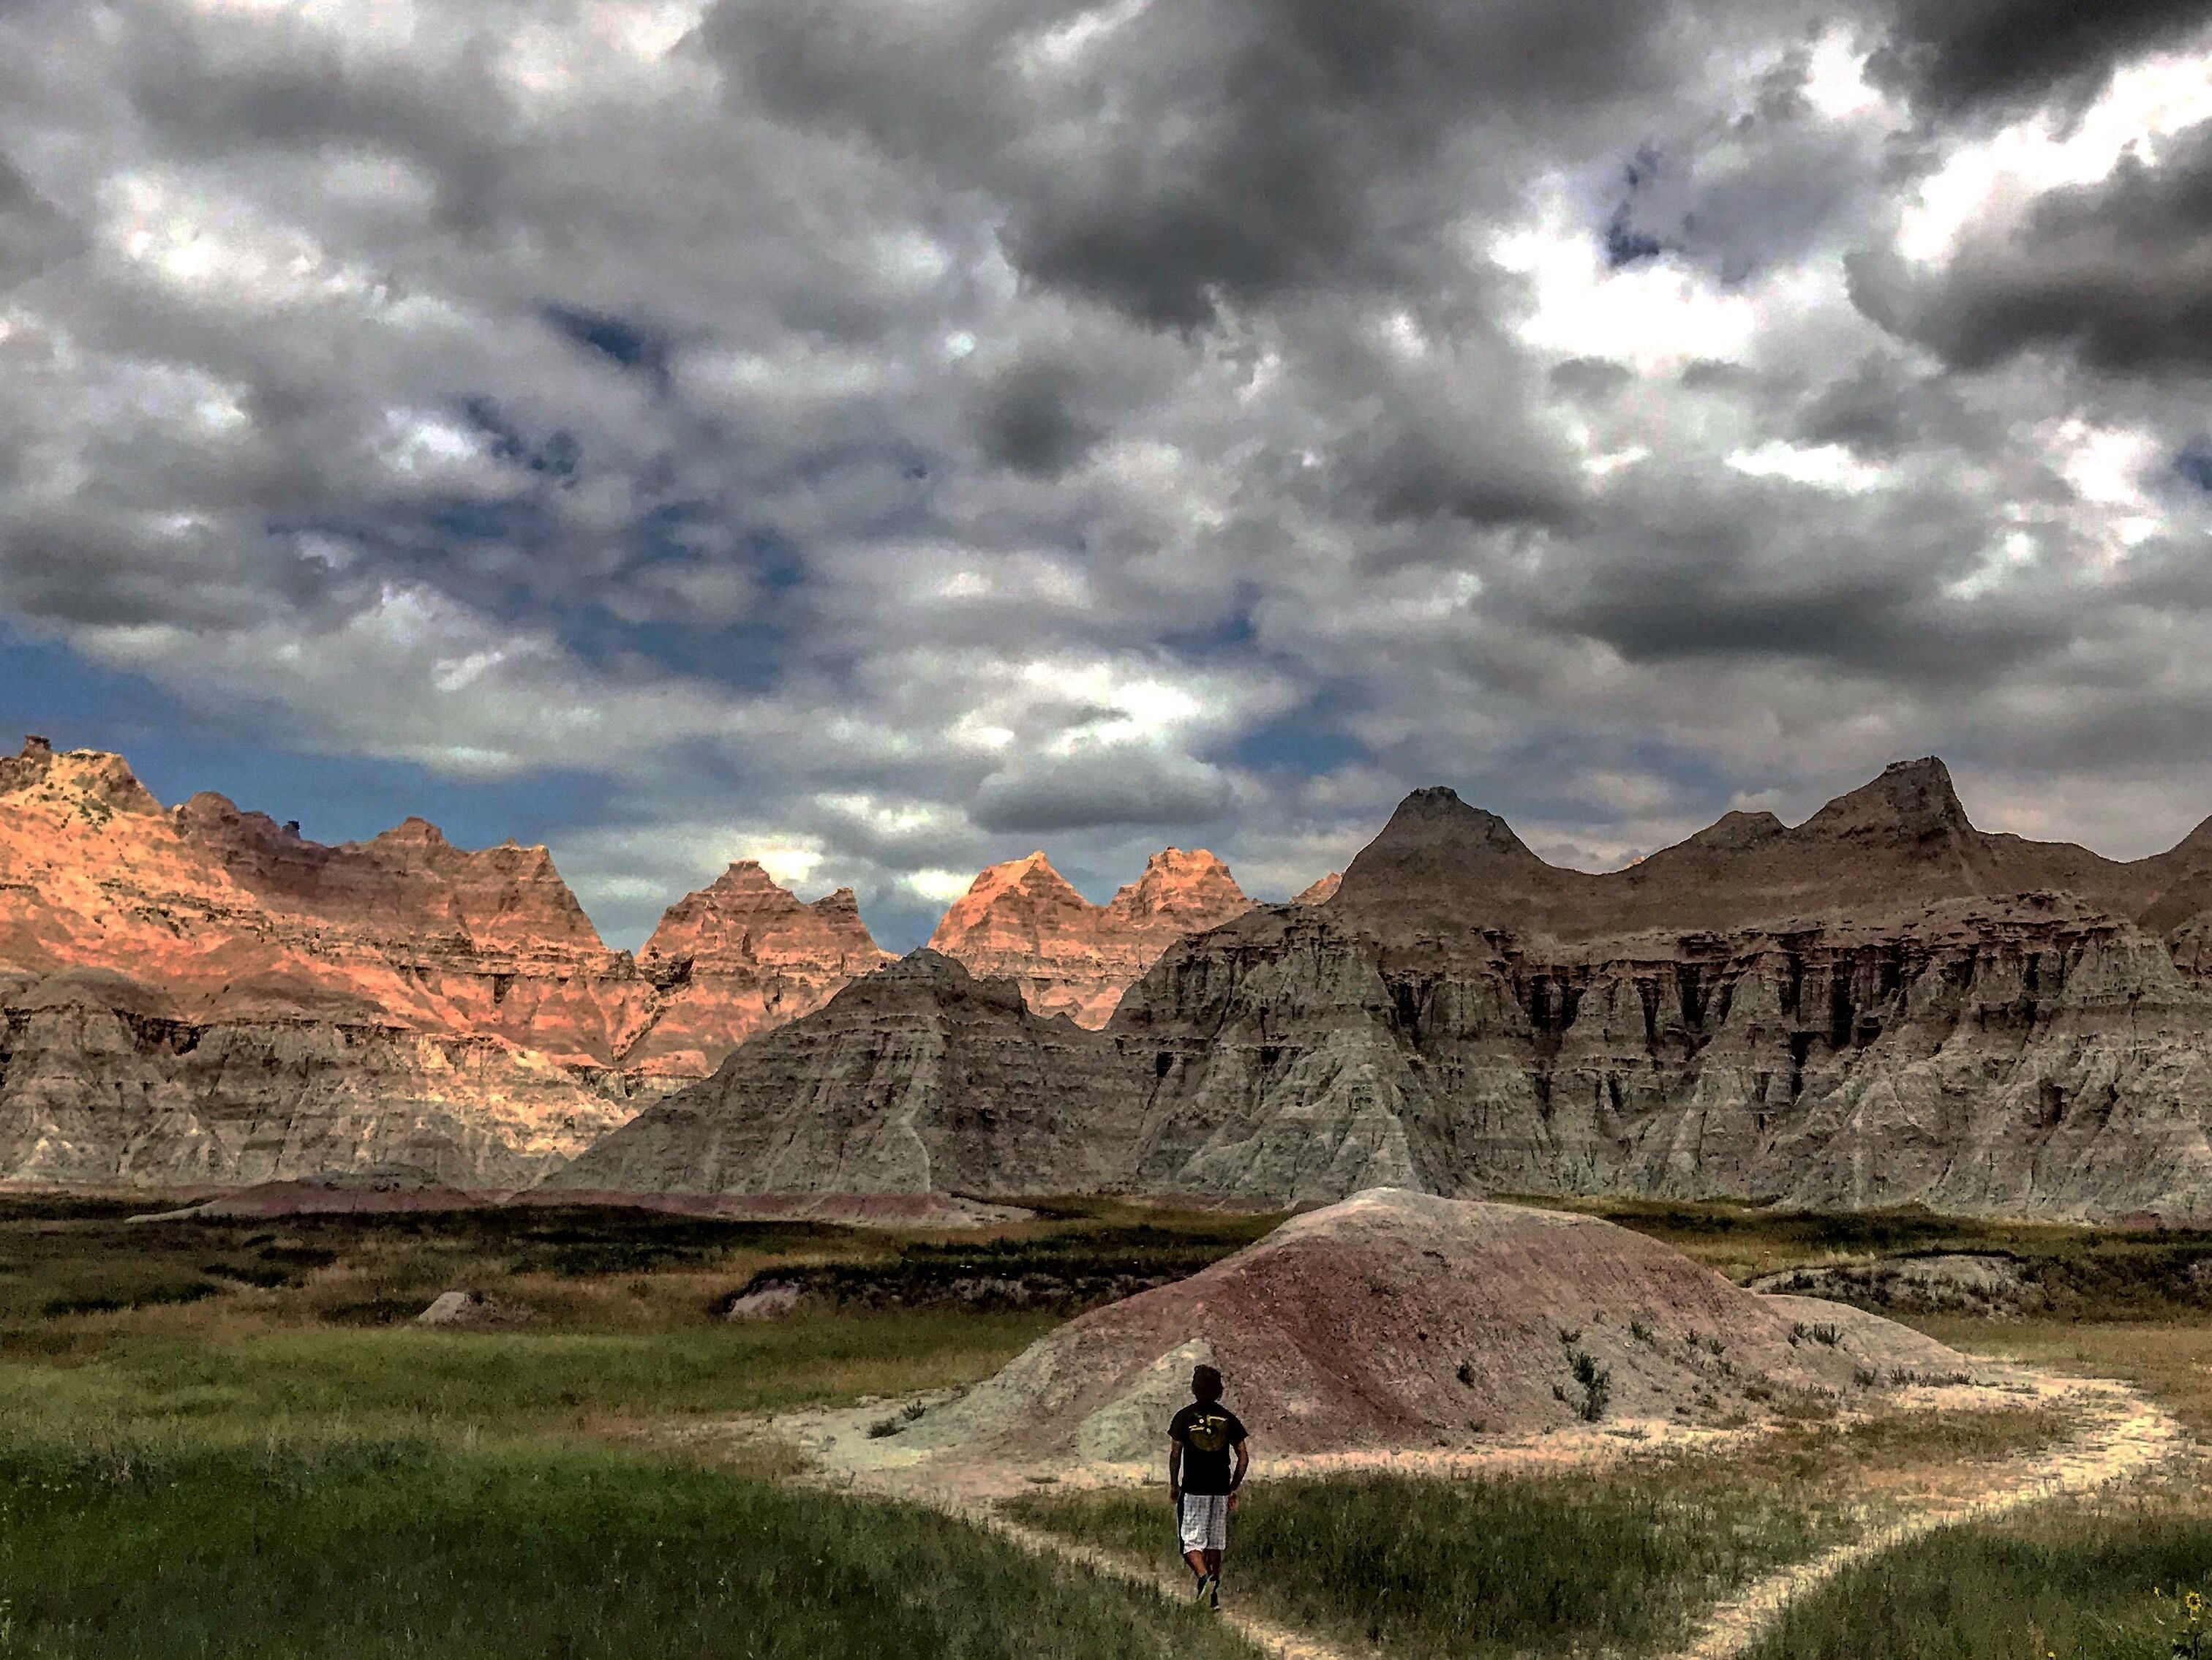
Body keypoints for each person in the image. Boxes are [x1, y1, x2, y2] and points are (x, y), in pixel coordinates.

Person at [1167, 1362, 1249, 1610]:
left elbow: (1175, 1454)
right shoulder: (1229, 1419)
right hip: (1220, 1488)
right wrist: (1232, 1486)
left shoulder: (1184, 1417)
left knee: (1190, 1544)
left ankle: (1205, 1578)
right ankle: (1213, 1598)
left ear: (1194, 1389)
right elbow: (1243, 1457)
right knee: (1214, 1543)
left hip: (1194, 1488)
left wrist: (1174, 1483)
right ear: (1219, 1391)